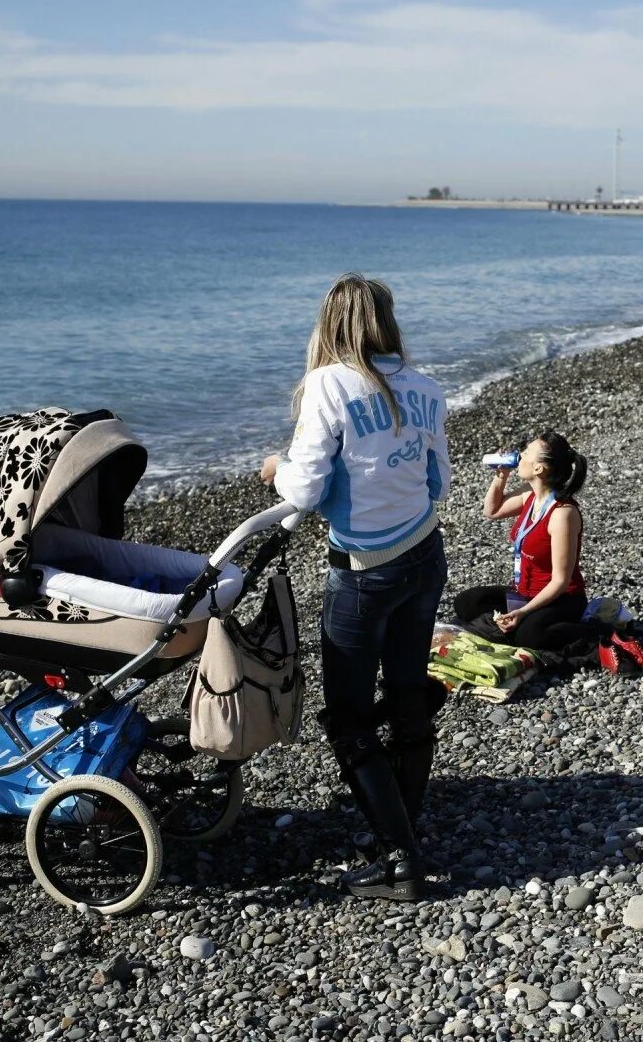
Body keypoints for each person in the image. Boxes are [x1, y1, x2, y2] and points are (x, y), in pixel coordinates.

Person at [259, 273, 450, 901]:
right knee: (405, 696)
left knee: (347, 716)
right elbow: (438, 485)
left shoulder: (329, 384)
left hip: (365, 573)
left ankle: (402, 857)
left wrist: (274, 470)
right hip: (424, 555)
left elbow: (303, 492)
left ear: (331, 324)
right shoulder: (425, 388)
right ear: (388, 322)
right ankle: (401, 824)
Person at [452, 432, 595, 651]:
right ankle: (521, 622)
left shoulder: (562, 514)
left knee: (528, 637)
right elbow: (492, 511)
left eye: (526, 452)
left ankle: (593, 631)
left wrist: (523, 612)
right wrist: (501, 476)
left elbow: (560, 582)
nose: (520, 455)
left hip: (561, 599)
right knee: (466, 602)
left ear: (539, 468)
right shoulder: (530, 495)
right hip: (524, 592)